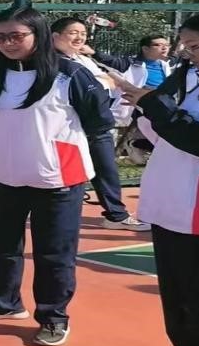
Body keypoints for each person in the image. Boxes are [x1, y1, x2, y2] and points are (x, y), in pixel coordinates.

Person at [0, 7, 114, 346]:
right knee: (3, 245)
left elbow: (99, 123)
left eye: (17, 36)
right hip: (3, 176)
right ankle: (4, 303)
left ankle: (53, 316)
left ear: (40, 35)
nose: (8, 43)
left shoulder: (71, 75)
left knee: (54, 253)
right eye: (1, 37)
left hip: (58, 179)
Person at [120, 11, 199, 346]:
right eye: (184, 45)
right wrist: (145, 106)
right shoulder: (193, 80)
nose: (185, 53)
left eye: (195, 46)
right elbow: (162, 125)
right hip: (173, 204)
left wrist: (156, 108)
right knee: (179, 297)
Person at [50, 17, 148, 232]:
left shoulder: (83, 58)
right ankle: (114, 214)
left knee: (105, 169)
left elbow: (110, 78)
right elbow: (93, 88)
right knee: (75, 173)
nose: (80, 37)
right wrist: (106, 84)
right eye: (73, 33)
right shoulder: (54, 63)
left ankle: (115, 214)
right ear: (55, 36)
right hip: (74, 127)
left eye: (83, 33)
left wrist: (126, 88)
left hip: (97, 124)